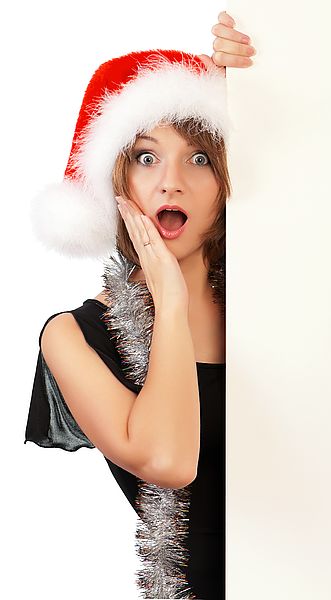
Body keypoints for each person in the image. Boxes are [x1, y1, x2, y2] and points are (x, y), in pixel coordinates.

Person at [23, 10, 256, 600]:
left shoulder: (278, 296)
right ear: (116, 181)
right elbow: (169, 460)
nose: (171, 182)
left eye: (199, 157)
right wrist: (171, 306)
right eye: (147, 157)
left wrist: (267, 79)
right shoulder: (71, 338)